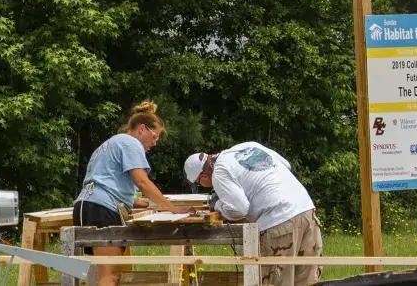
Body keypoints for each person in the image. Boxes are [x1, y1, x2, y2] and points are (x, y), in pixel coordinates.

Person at [183, 143, 322, 286]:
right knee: (308, 281)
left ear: (204, 176)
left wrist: (218, 205)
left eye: (200, 184)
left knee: (273, 282)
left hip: (278, 221)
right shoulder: (247, 146)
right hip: (306, 210)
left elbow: (239, 209)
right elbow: (286, 165)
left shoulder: (219, 172)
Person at [75, 101, 179, 286]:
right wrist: (171, 208)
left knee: (107, 274)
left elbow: (111, 185)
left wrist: (144, 203)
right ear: (142, 129)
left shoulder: (112, 143)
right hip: (101, 209)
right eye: (154, 136)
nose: (154, 143)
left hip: (89, 205)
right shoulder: (131, 143)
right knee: (111, 276)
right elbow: (142, 181)